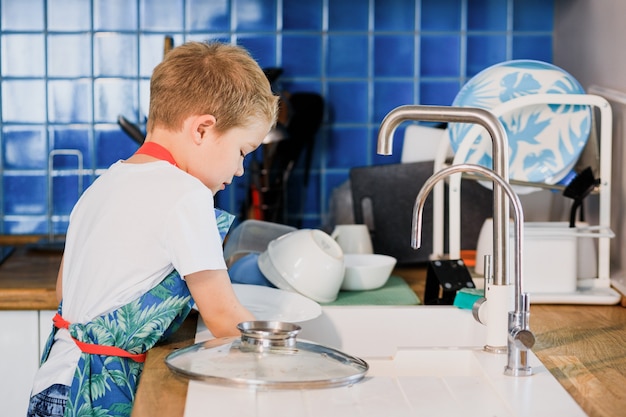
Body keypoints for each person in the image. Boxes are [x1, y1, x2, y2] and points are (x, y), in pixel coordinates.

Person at [27, 41, 279, 417]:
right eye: (243, 151)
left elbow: (65, 292)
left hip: (54, 381)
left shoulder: (104, 183)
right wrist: (287, 354)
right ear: (203, 129)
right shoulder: (187, 195)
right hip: (97, 396)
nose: (241, 170)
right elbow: (225, 317)